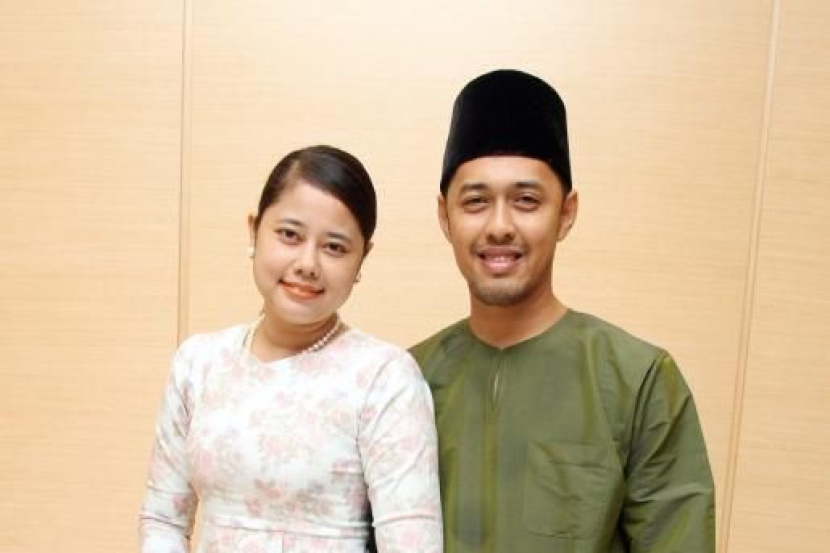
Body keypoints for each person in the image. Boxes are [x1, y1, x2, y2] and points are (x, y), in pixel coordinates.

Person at [410, 69, 715, 552]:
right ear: (445, 216)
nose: (499, 226)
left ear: (566, 213)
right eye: (476, 201)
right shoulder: (403, 381)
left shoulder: (638, 381)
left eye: (527, 200)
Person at [139, 145, 443, 552]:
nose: (307, 263)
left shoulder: (384, 377)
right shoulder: (199, 363)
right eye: (289, 235)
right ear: (254, 230)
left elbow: (411, 543)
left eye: (334, 247)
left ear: (362, 258)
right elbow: (163, 520)